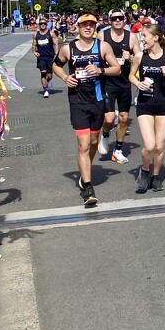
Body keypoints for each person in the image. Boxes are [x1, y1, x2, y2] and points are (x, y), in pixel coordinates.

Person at [51, 12, 121, 207]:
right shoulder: (68, 49)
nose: (88, 28)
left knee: (92, 142)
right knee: (83, 144)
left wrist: (100, 70)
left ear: (95, 27)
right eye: (84, 25)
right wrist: (65, 78)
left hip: (97, 99)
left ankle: (85, 169)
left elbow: (117, 68)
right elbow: (55, 65)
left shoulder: (103, 46)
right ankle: (88, 186)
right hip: (78, 101)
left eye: (91, 25)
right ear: (78, 27)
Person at [130, 22, 165, 192]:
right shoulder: (140, 56)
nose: (142, 40)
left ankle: (156, 176)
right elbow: (130, 75)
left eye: (145, 36)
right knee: (149, 146)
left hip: (163, 103)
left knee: (159, 145)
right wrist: (138, 83)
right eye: (142, 36)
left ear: (156, 38)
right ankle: (144, 170)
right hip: (145, 104)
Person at [97, 8, 138, 164]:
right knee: (108, 118)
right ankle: (105, 135)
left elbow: (139, 59)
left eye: (120, 18)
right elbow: (95, 54)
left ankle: (118, 150)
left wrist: (131, 58)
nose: (117, 20)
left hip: (124, 83)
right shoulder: (103, 36)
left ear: (124, 20)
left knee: (124, 118)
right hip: (107, 82)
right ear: (110, 20)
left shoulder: (131, 37)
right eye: (114, 19)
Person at [32, 15, 58, 97]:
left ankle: (49, 81)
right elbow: (33, 45)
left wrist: (56, 53)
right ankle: (45, 90)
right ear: (39, 25)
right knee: (43, 73)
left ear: (46, 24)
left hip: (50, 57)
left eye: (44, 24)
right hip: (41, 57)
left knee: (49, 75)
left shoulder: (51, 33)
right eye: (41, 24)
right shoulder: (36, 34)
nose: (42, 25)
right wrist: (34, 52)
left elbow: (55, 44)